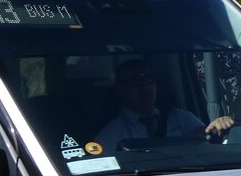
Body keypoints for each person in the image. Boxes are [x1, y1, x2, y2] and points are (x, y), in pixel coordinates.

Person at [95, 58, 233, 153]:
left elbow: (204, 136)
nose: (145, 87)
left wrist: (216, 128)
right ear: (120, 89)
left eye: (149, 79)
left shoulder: (180, 118)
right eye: (136, 82)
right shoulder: (111, 134)